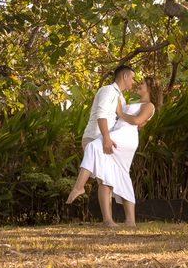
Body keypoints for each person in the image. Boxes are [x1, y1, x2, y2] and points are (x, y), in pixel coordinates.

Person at [66, 76, 160, 226]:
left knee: (92, 146)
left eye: (142, 83)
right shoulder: (134, 103)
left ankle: (79, 186)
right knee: (111, 176)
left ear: (150, 88)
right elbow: (135, 122)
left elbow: (135, 122)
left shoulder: (150, 105)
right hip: (119, 134)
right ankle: (127, 221)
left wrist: (119, 111)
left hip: (125, 138)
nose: (138, 85)